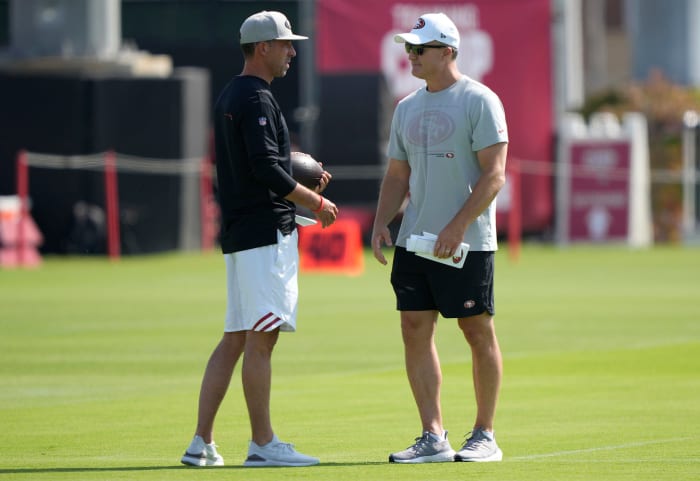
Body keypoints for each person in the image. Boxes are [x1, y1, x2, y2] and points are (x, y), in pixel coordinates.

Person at [181, 10, 338, 468]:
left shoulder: (234, 92)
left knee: (235, 337)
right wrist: (314, 201)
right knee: (261, 339)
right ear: (263, 47)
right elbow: (265, 168)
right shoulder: (255, 97)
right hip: (264, 235)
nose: (292, 51)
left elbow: (265, 164)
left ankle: (201, 442)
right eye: (286, 43)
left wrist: (302, 182)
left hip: (241, 233)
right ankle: (263, 444)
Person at [371, 12, 508, 463]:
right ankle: (433, 436)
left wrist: (455, 225)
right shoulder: (407, 107)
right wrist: (380, 223)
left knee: (476, 330)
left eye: (420, 48)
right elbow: (397, 174)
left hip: (467, 243)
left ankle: (485, 433)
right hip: (415, 241)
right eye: (409, 48)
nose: (411, 55)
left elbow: (494, 176)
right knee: (414, 328)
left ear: (447, 51)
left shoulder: (480, 100)